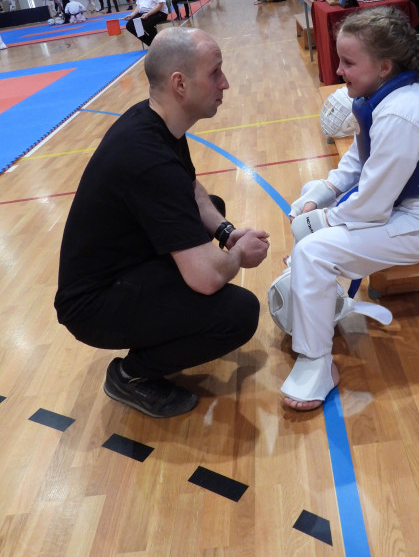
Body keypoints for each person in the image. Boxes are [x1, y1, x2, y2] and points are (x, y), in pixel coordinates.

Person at [54, 27, 270, 418]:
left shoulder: (158, 120)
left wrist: (226, 233)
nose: (225, 83)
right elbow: (207, 278)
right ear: (180, 84)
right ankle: (130, 375)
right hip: (93, 304)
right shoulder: (147, 157)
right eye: (215, 73)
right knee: (237, 314)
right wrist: (238, 254)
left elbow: (192, 190)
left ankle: (161, 326)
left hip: (120, 266)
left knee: (212, 210)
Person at [276, 7, 419, 410]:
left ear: (384, 66)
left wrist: (317, 224)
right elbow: (360, 159)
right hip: (407, 210)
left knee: (312, 251)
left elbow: (371, 204)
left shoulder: (402, 112)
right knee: (311, 197)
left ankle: (317, 362)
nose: (339, 71)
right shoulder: (387, 95)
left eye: (348, 62)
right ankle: (317, 291)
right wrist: (323, 193)